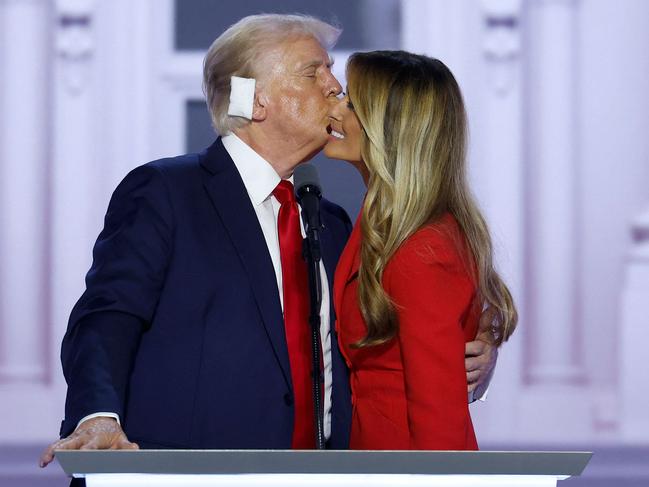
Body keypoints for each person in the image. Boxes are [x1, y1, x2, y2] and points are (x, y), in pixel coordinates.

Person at [39, 15, 498, 469]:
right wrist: (96, 413)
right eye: (313, 72)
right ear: (255, 100)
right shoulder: (166, 192)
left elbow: (399, 330)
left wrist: (479, 342)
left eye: (332, 72)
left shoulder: (332, 224)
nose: (335, 88)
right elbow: (107, 316)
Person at [324, 50, 517, 450]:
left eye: (353, 104)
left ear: (390, 128)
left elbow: (438, 413)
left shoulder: (423, 248)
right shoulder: (386, 227)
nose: (337, 108)